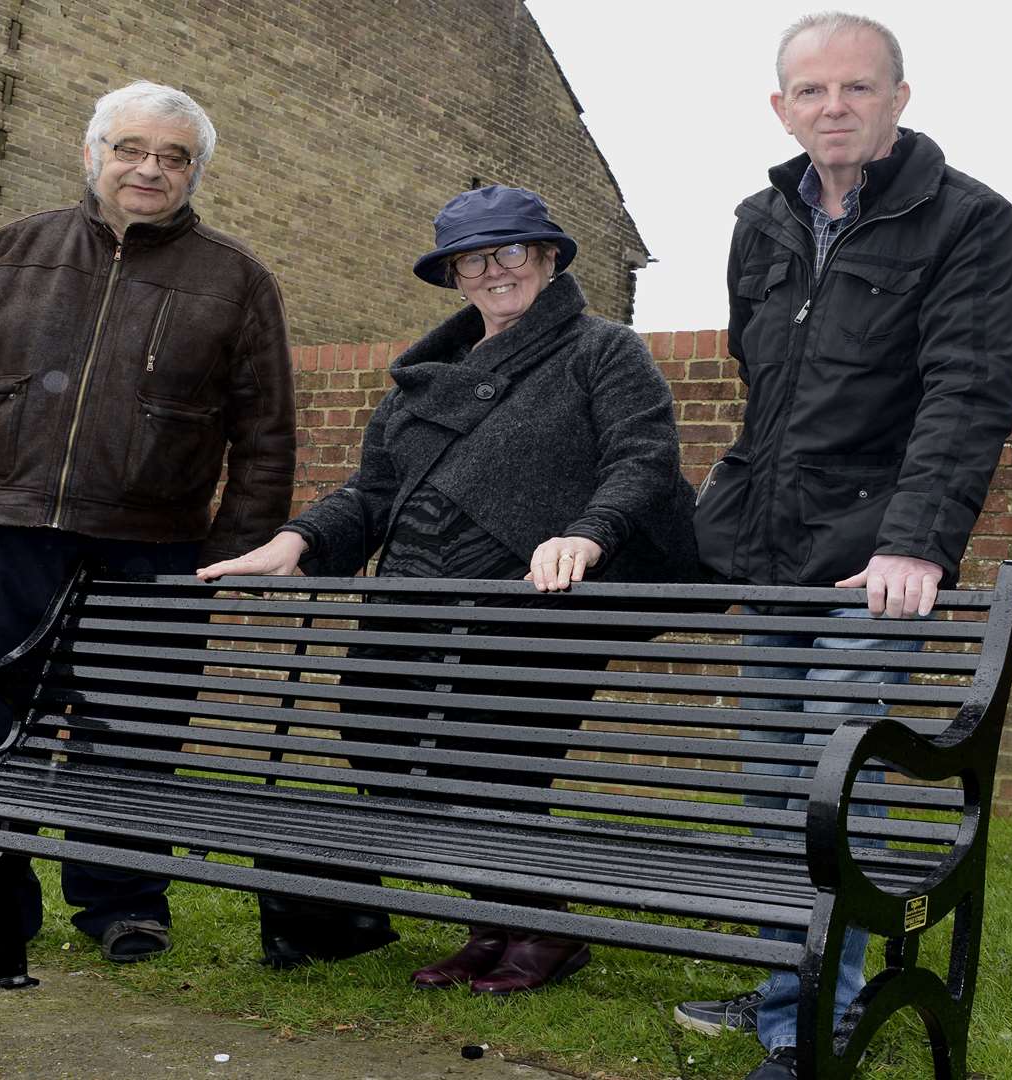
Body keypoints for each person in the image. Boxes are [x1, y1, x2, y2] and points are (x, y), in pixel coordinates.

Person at [197, 184, 699, 992]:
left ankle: (545, 928)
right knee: (375, 728)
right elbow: (371, 492)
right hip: (415, 594)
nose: (494, 271)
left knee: (495, 758)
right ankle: (491, 920)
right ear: (455, 275)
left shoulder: (603, 350)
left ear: (546, 258)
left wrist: (586, 532)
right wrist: (297, 540)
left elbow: (641, 457)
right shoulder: (423, 380)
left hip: (531, 596)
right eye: (475, 258)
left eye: (511, 252)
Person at [0, 81, 295, 975]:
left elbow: (265, 433)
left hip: (154, 546)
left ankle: (124, 904)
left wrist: (233, 552)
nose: (150, 168)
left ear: (195, 173)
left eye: (174, 156)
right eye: (132, 148)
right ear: (92, 153)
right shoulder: (7, 254)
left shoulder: (236, 279)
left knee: (132, 731)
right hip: (3, 532)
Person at [678, 13, 1012, 1079]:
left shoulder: (965, 218)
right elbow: (764, 389)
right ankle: (791, 982)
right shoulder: (757, 222)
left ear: (899, 99)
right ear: (782, 108)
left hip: (877, 560)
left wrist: (915, 542)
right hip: (776, 555)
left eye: (857, 89)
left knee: (842, 781)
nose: (835, 107)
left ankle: (820, 1016)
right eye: (813, 92)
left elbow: (968, 388)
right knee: (770, 782)